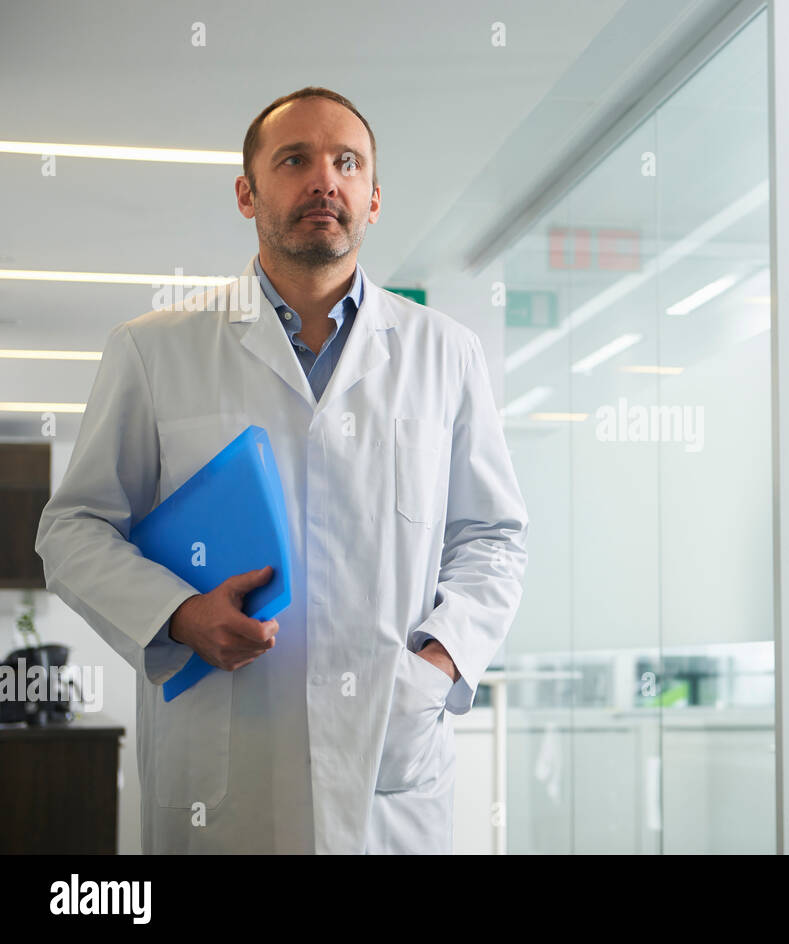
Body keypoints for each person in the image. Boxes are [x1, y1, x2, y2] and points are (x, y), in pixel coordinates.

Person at [35, 87, 528, 854]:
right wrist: (178, 614)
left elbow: (492, 536)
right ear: (247, 192)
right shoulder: (155, 348)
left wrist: (439, 662)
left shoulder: (445, 353)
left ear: (372, 196)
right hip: (224, 758)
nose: (323, 181)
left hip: (389, 760)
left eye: (347, 162)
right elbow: (73, 530)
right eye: (294, 159)